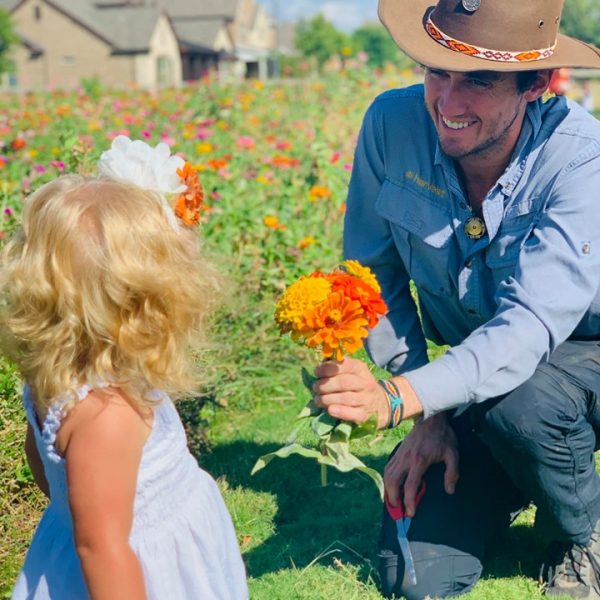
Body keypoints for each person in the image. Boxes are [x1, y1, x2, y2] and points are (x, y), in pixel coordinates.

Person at [313, 0, 600, 598]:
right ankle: (515, 472)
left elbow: (530, 325)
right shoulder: (391, 125)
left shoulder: (581, 158)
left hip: (581, 354)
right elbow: (373, 270)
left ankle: (583, 534)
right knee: (415, 578)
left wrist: (397, 400)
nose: (447, 102)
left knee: (524, 406)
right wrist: (430, 412)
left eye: (479, 80)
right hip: (481, 372)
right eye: (436, 70)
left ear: (536, 85)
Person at [5, 137, 248, 600]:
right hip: (143, 569)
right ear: (140, 305)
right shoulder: (107, 414)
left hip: (103, 541)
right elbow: (102, 550)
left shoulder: (55, 380)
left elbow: (41, 461)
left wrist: (73, 509)